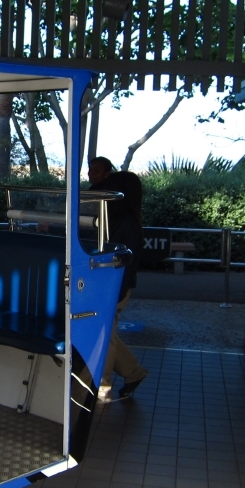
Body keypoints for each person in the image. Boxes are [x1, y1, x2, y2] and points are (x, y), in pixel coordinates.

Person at [89, 158, 149, 401]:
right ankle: (133, 373)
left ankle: (100, 387)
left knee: (104, 335)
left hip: (112, 287)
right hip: (113, 287)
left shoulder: (123, 223)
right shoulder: (125, 221)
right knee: (108, 332)